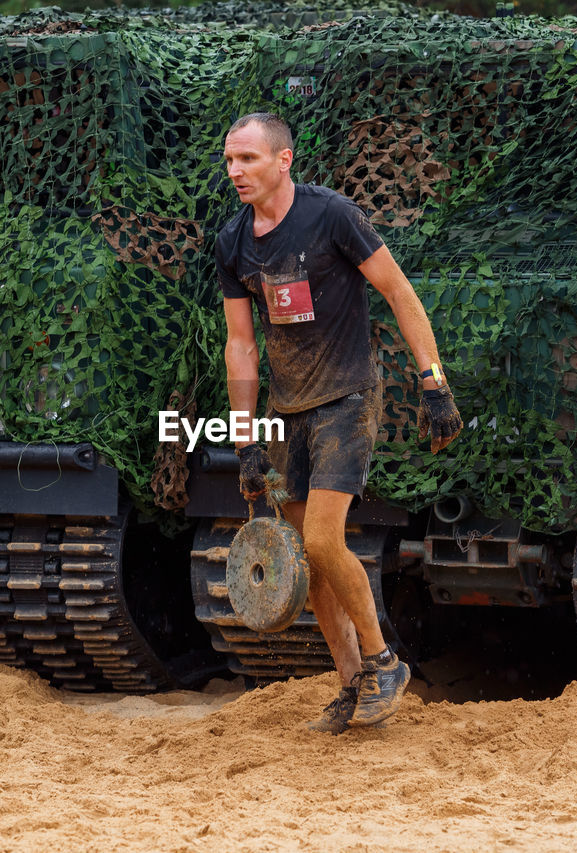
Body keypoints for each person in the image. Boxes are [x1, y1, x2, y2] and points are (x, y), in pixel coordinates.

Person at [216, 112, 463, 733]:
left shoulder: (332, 216)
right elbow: (240, 346)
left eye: (247, 159)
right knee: (310, 555)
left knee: (325, 540)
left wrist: (434, 382)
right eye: (229, 161)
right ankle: (352, 683)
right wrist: (243, 436)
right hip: (287, 410)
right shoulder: (233, 241)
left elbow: (400, 293)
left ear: (284, 161)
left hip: (348, 397)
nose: (236, 171)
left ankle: (385, 664)